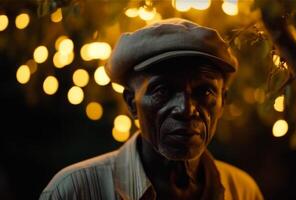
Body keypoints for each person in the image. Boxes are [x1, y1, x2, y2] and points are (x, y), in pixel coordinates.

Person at [39, 18, 264, 200]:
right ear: (131, 103)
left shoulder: (243, 191)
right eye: (162, 91)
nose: (186, 109)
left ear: (223, 101)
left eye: (205, 92)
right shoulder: (74, 191)